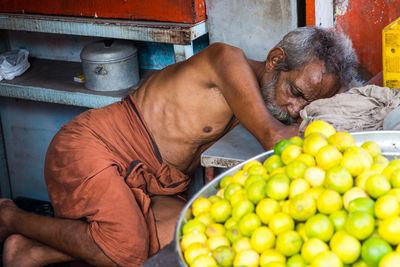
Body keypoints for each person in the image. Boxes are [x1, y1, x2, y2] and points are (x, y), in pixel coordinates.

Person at [0, 26, 357, 266]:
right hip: (93, 146)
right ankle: (13, 217)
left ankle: (29, 251)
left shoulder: (266, 98)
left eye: (305, 105)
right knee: (126, 248)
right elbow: (274, 138)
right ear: (277, 60)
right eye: (295, 93)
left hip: (151, 182)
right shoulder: (225, 59)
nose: (294, 109)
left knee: (191, 235)